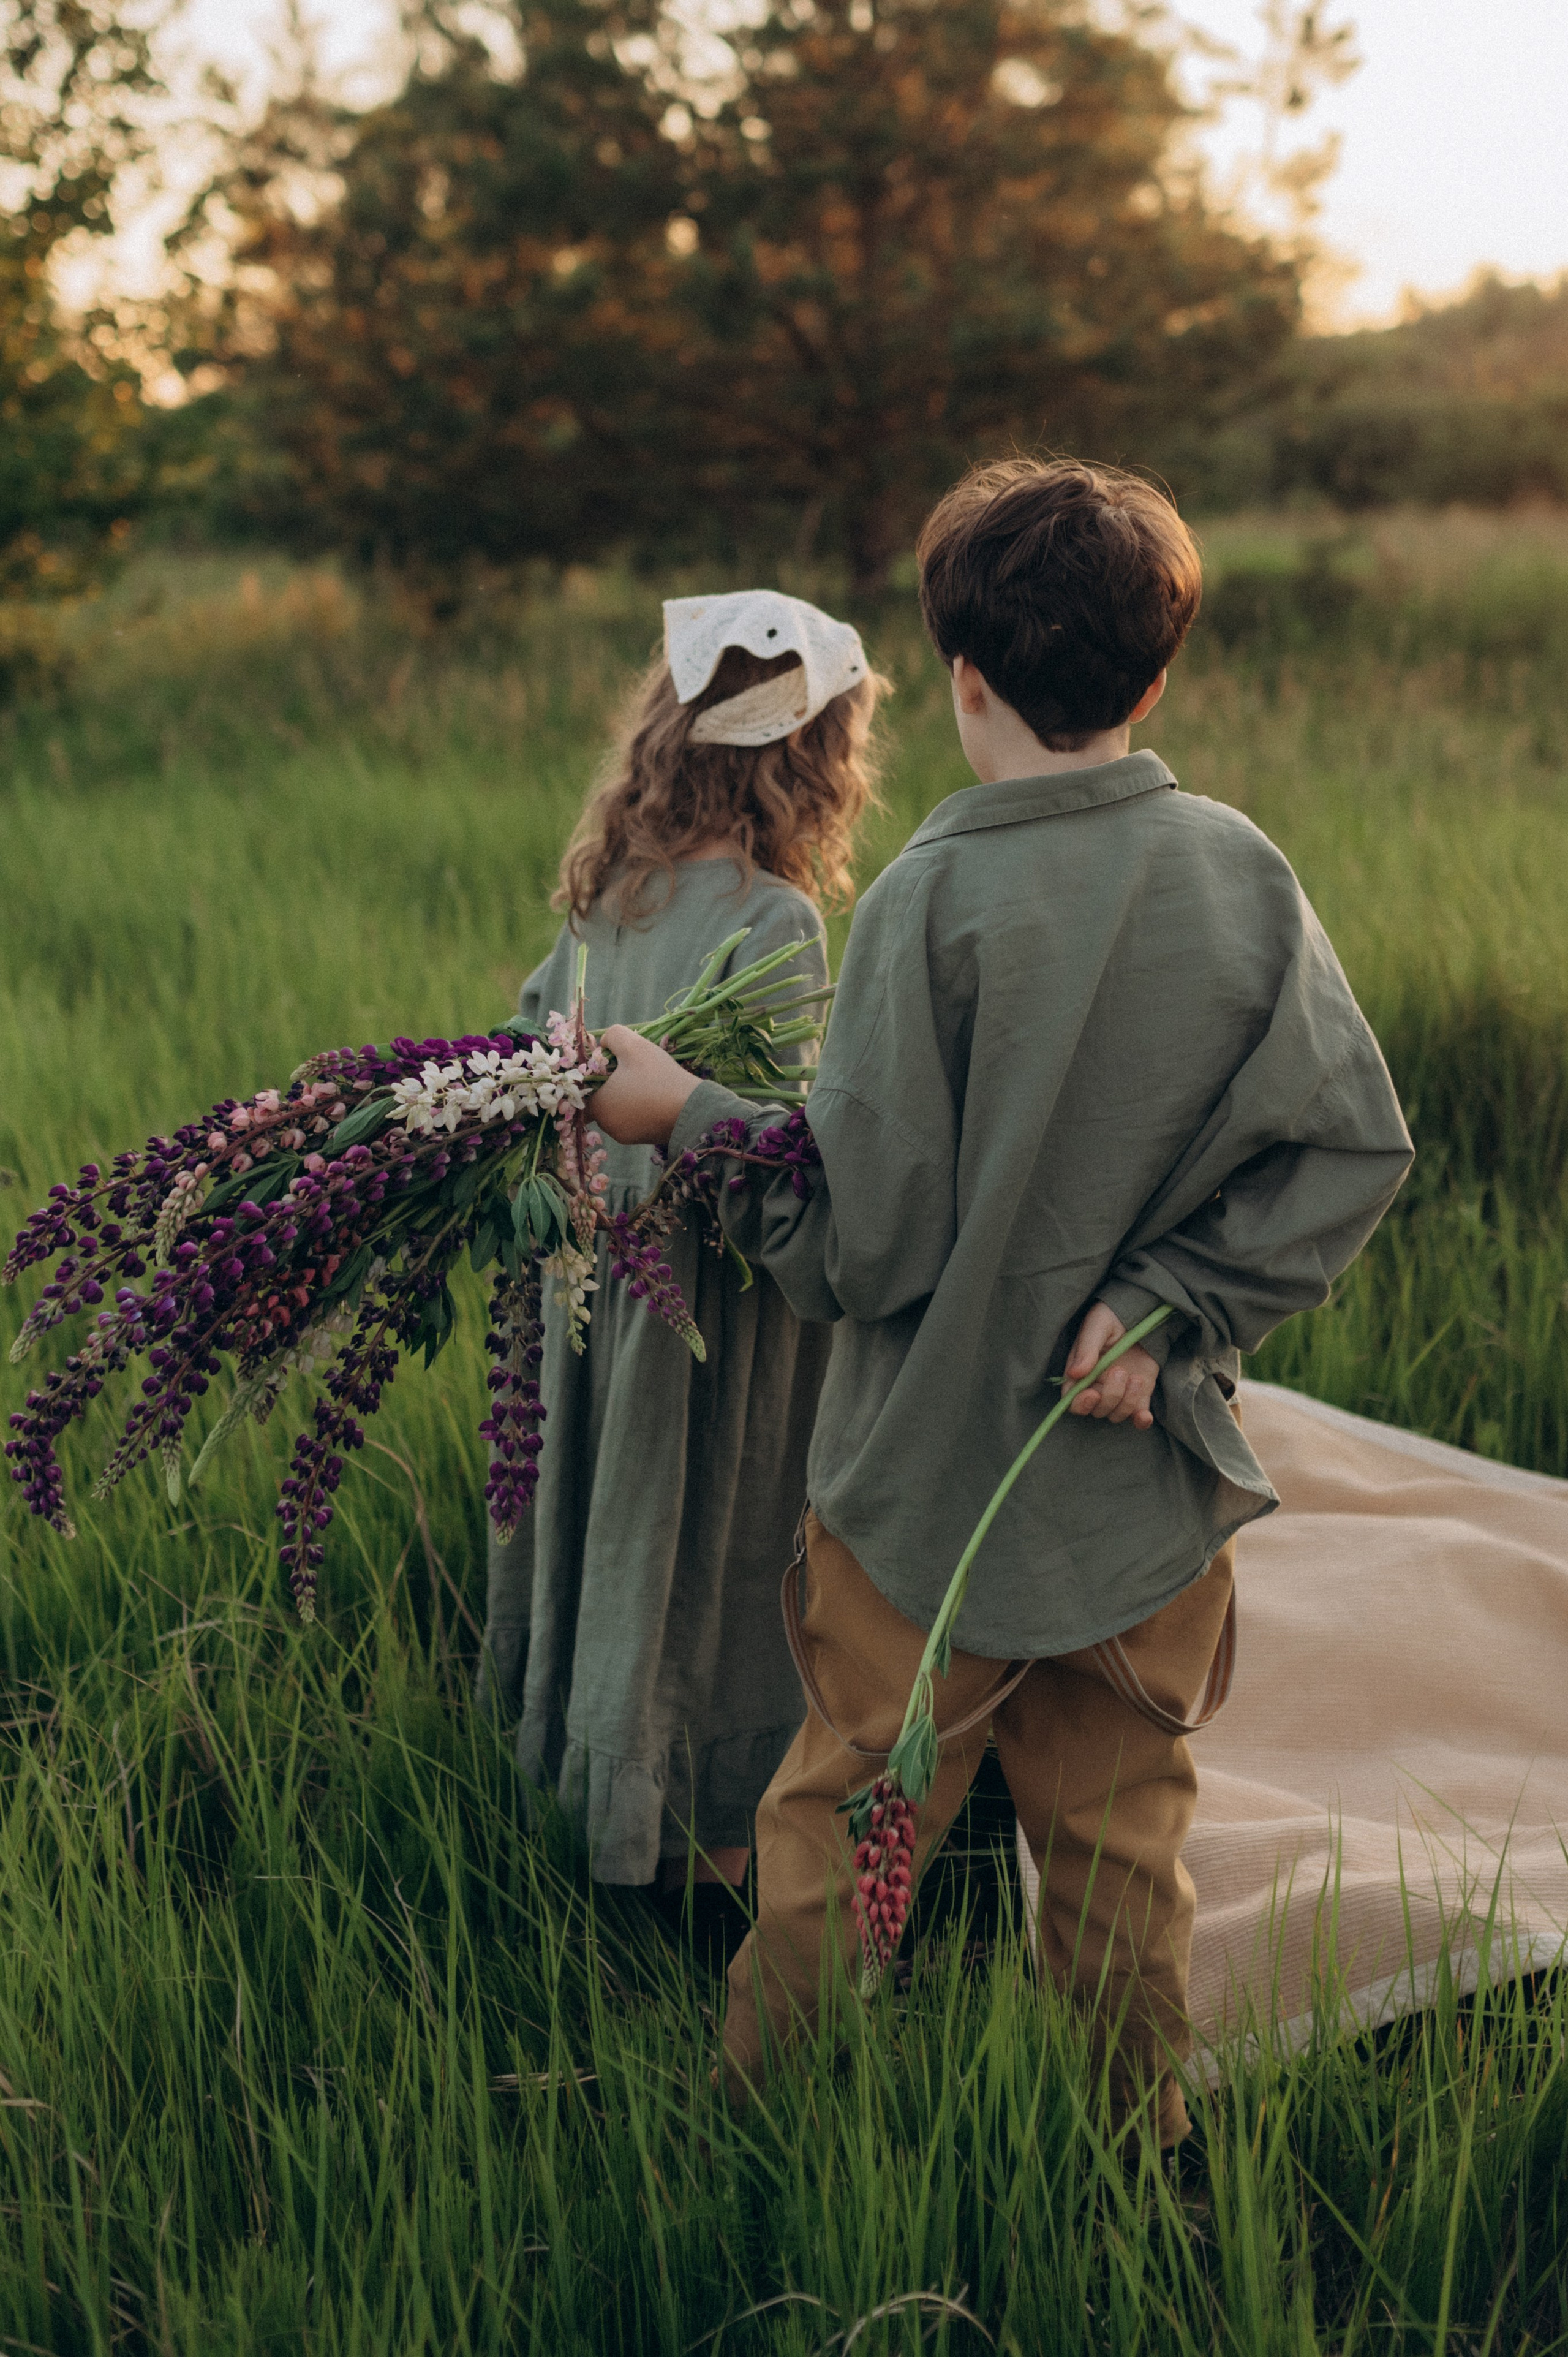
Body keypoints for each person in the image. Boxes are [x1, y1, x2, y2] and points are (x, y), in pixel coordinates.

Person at [590, 461, 1415, 2141]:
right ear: (1153, 681)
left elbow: (863, 1243)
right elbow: (1348, 1149)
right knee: (1119, 1860)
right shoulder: (1241, 871)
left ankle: (759, 2139)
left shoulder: (927, 898)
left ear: (961, 679)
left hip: (926, 1504)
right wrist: (1167, 1302)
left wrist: (691, 1117)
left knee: (839, 1837)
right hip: (1134, 1505)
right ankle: (1140, 2162)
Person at [478, 589, 884, 1948]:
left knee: (611, 1529)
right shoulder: (775, 920)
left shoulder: (607, 899)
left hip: (587, 1289)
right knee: (709, 1556)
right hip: (710, 1302)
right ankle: (703, 1881)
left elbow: (523, 1057)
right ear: (812, 752)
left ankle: (595, 1796)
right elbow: (775, 1144)